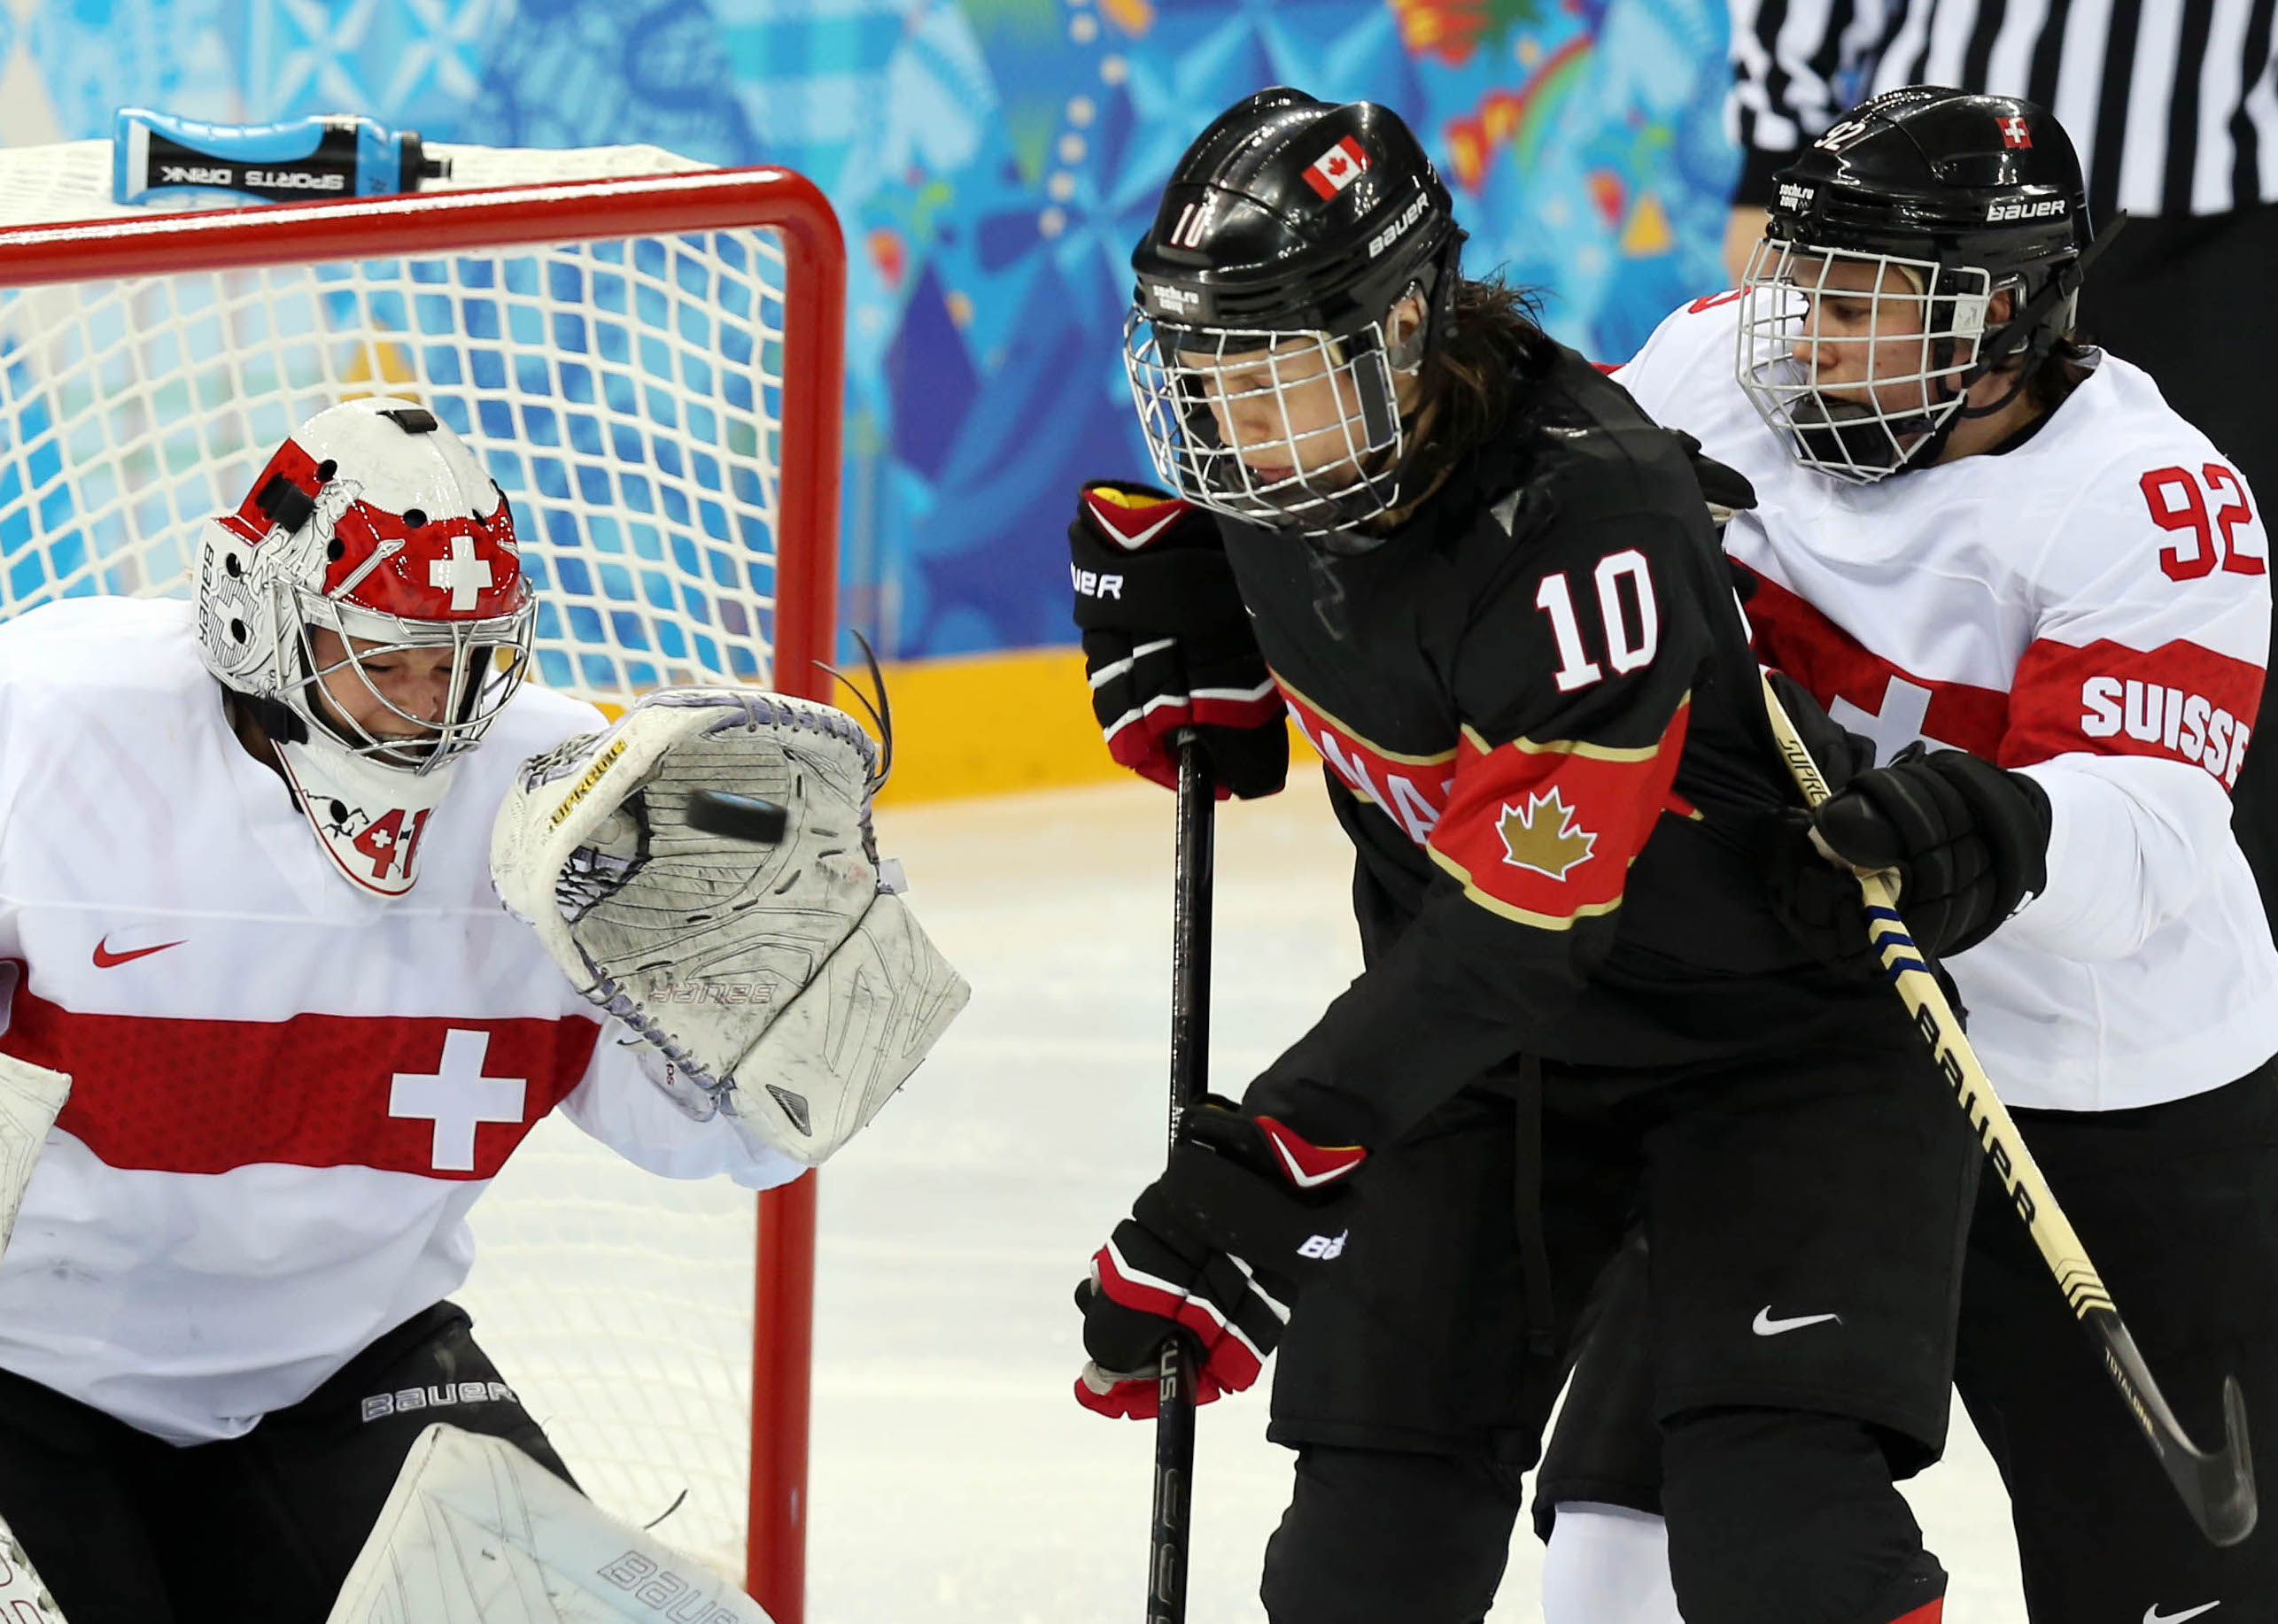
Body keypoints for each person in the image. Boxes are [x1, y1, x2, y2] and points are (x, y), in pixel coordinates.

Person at [1056, 88, 2074, 1624]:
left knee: (1784, 1545)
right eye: (1203, 381)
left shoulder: (1584, 524)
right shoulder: (1287, 465)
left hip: (1768, 1049)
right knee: (1361, 1556)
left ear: (1400, 335)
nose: (1226, 431)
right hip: (1488, 1073)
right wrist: (1202, 614)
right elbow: (1322, 594)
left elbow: (1512, 934)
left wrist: (1263, 1177)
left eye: (1267, 382)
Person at [1537, 89, 2278, 1623]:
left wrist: (1991, 820)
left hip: (2109, 1103)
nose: (1808, 333)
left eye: (1872, 301)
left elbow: (2150, 827)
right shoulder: (1713, 370)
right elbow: (1510, 543)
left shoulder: (2150, 500)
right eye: (1807, 282)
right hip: (1805, 1073)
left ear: (2011, 322)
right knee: (1616, 1566)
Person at [0, 398, 934, 1621]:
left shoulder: (569, 800)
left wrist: (785, 989)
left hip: (349, 1363)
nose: (431, 706)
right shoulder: (52, 723)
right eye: (384, 660)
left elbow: (718, 1144)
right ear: (254, 620)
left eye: (461, 660)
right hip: (30, 1375)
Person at [1717, 0, 2278, 1249]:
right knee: (1872, 600)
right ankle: (1892, 1028)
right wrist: (1776, 160)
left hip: (2231, 218)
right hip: (1928, 218)